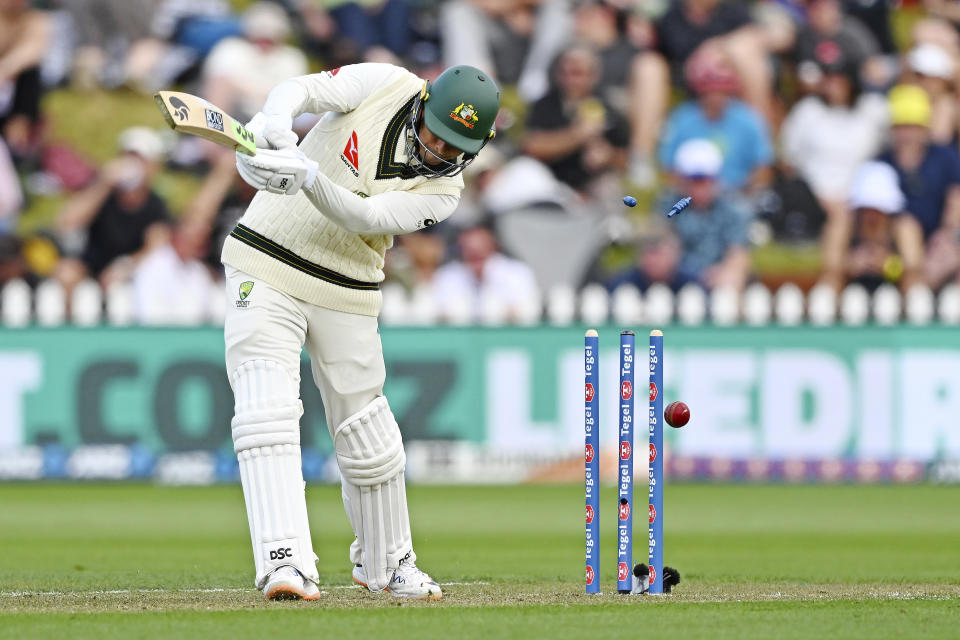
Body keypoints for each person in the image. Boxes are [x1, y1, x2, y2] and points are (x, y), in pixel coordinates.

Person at [224, 62, 500, 601]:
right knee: (266, 408)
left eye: (454, 149)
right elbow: (302, 88)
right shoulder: (387, 83)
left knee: (369, 436)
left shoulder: (444, 193)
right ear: (422, 105)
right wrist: (273, 121)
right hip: (264, 260)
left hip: (348, 289)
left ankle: (388, 563)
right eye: (434, 136)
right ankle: (285, 562)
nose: (438, 153)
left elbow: (363, 218)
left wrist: (304, 174)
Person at [878, 84, 960, 290]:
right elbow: (875, 221)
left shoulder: (945, 157)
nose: (906, 135)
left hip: (941, 242)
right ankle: (917, 295)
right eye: (901, 127)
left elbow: (956, 199)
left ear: (925, 129)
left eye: (912, 127)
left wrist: (948, 236)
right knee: (907, 227)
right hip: (897, 253)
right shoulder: (881, 165)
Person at [661, 138, 752, 291]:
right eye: (693, 180)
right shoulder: (668, 205)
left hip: (717, 282)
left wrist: (728, 271)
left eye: (704, 180)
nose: (699, 187)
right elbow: (662, 247)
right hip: (676, 281)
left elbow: (738, 253)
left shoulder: (734, 208)